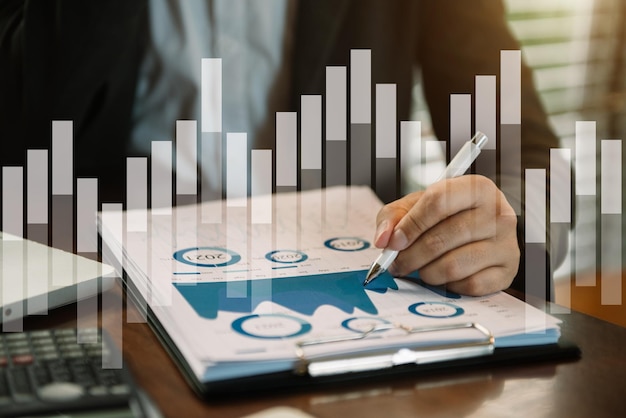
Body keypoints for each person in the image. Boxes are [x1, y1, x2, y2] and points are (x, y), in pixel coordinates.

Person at [0, 0, 566, 297]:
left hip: (352, 281)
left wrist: (506, 231)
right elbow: (20, 125)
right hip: (104, 283)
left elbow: (525, 148)